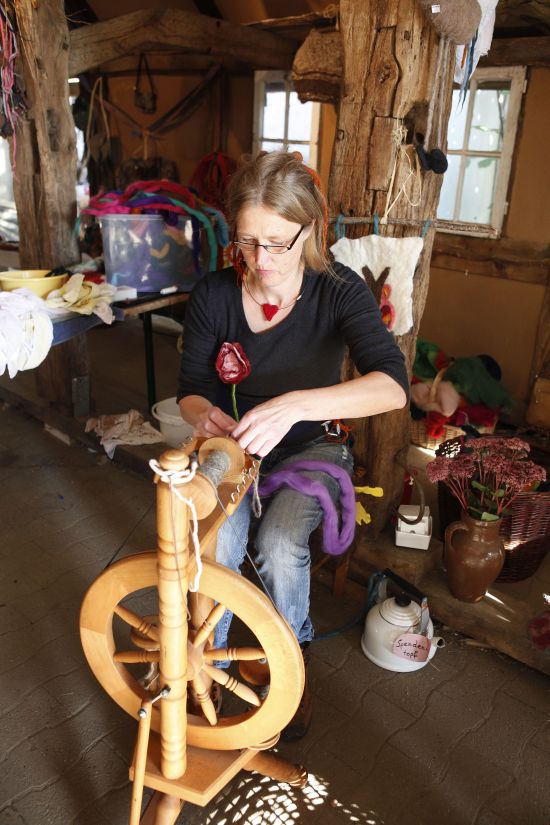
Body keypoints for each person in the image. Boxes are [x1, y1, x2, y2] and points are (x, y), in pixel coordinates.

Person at [177, 150, 408, 738]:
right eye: (248, 241)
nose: (262, 260)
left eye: (278, 243)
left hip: (313, 447)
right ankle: (204, 664)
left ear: (310, 230)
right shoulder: (214, 295)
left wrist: (297, 405)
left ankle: (291, 666)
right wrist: (206, 418)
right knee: (221, 538)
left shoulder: (339, 291)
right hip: (235, 448)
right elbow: (191, 391)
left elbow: (392, 386)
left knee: (280, 543)